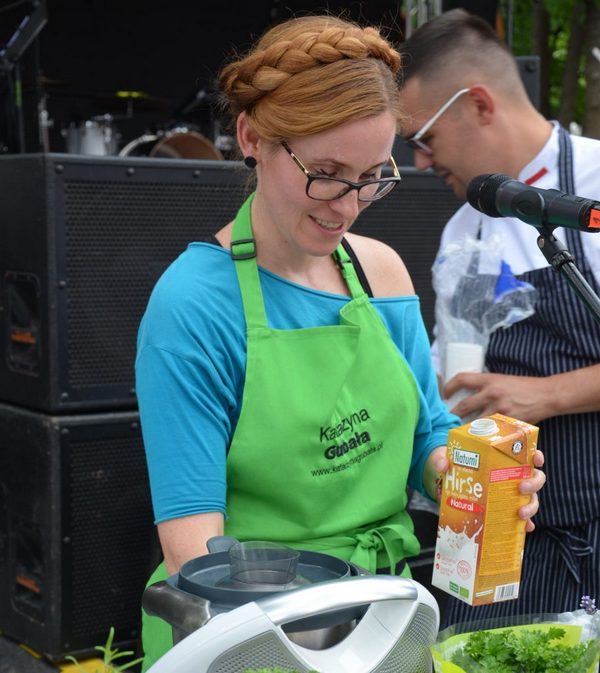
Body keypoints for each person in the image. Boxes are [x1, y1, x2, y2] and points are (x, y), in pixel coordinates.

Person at [135, 14, 544, 668]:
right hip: (248, 626)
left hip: (385, 615)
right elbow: (193, 551)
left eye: (371, 176)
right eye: (325, 172)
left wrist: (465, 476)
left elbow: (426, 431)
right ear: (251, 137)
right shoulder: (194, 305)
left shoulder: (380, 271)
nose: (346, 206)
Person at [399, 8, 600, 627]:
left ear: (479, 105)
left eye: (424, 139)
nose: (423, 163)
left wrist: (548, 394)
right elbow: (446, 370)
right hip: (501, 541)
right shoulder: (463, 226)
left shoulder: (593, 188)